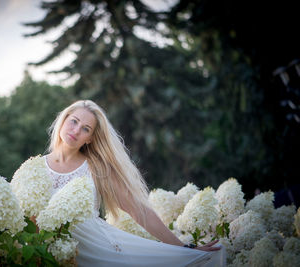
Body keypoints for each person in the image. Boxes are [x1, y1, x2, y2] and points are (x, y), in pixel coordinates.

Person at [38, 99, 225, 266]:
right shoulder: (36, 167)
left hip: (102, 255)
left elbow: (138, 210)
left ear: (90, 138)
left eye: (86, 128)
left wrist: (184, 247)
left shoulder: (96, 168)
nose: (76, 130)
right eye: (74, 121)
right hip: (50, 256)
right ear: (64, 120)